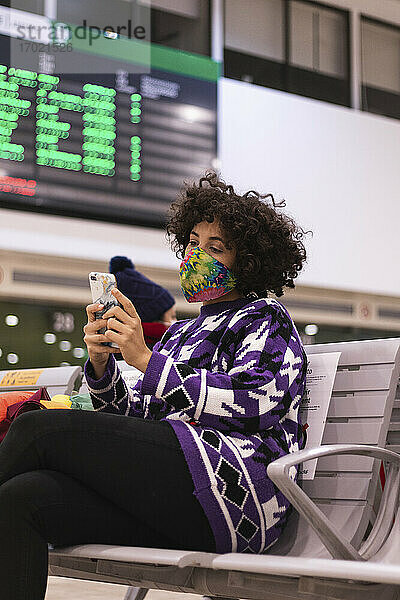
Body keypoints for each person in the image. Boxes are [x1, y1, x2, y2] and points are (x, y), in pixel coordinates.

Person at [0, 172, 309, 600]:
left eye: (215, 248)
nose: (196, 255)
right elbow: (133, 422)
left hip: (234, 491)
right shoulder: (181, 334)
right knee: (21, 499)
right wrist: (102, 363)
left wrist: (146, 359)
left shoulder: (265, 318)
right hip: (170, 491)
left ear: (251, 262)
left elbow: (253, 402)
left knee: (38, 429)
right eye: (193, 243)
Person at [108, 255, 177, 352]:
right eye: (172, 317)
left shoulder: (111, 346)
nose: (175, 322)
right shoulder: (168, 351)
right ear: (154, 320)